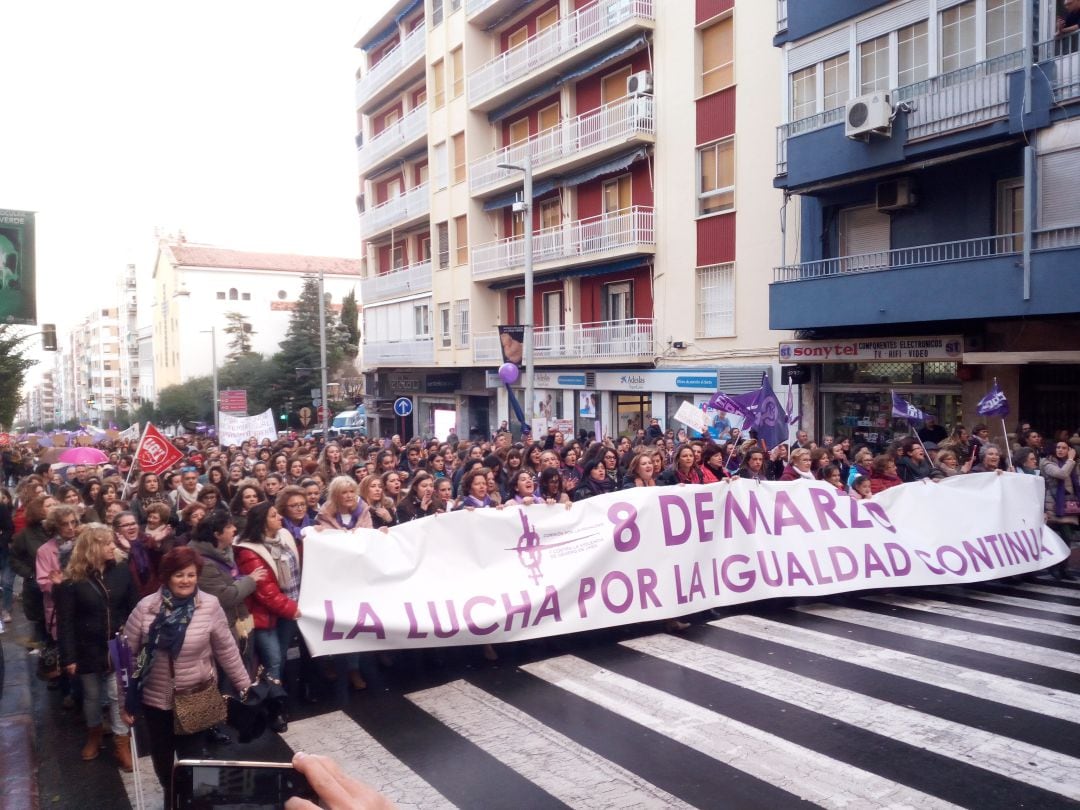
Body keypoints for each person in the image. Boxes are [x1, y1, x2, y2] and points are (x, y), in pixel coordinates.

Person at [122, 547, 252, 792]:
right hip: (156, 700)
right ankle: (172, 799)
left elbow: (227, 650)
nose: (186, 580)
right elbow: (127, 658)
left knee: (196, 760)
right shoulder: (145, 608)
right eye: (179, 575)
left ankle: (200, 803)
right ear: (167, 577)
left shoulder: (210, 605)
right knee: (163, 760)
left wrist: (246, 687)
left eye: (191, 575)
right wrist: (124, 702)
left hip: (196, 694)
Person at [56, 524, 137, 769]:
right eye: (107, 543)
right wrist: (68, 657)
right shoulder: (72, 581)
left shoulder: (122, 570)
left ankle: (121, 745)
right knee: (92, 695)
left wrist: (131, 632)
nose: (114, 546)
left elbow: (134, 606)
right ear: (92, 548)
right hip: (86, 647)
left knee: (117, 695)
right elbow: (66, 622)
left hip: (117, 645)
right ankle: (94, 734)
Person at [235, 502, 302, 730]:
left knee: (280, 658)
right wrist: (292, 609)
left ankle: (276, 699)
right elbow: (266, 593)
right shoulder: (249, 552)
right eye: (274, 515)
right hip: (265, 616)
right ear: (263, 522)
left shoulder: (284, 537)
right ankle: (274, 711)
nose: (280, 518)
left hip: (286, 611)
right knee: (272, 661)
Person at [1041, 441, 1078, 580]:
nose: (1060, 450)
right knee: (1057, 540)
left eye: (1064, 448)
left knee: (1067, 539)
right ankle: (1053, 568)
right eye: (1058, 447)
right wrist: (1070, 459)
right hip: (1054, 507)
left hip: (1070, 506)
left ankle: (1063, 569)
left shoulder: (1073, 464)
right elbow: (1061, 474)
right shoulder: (1047, 463)